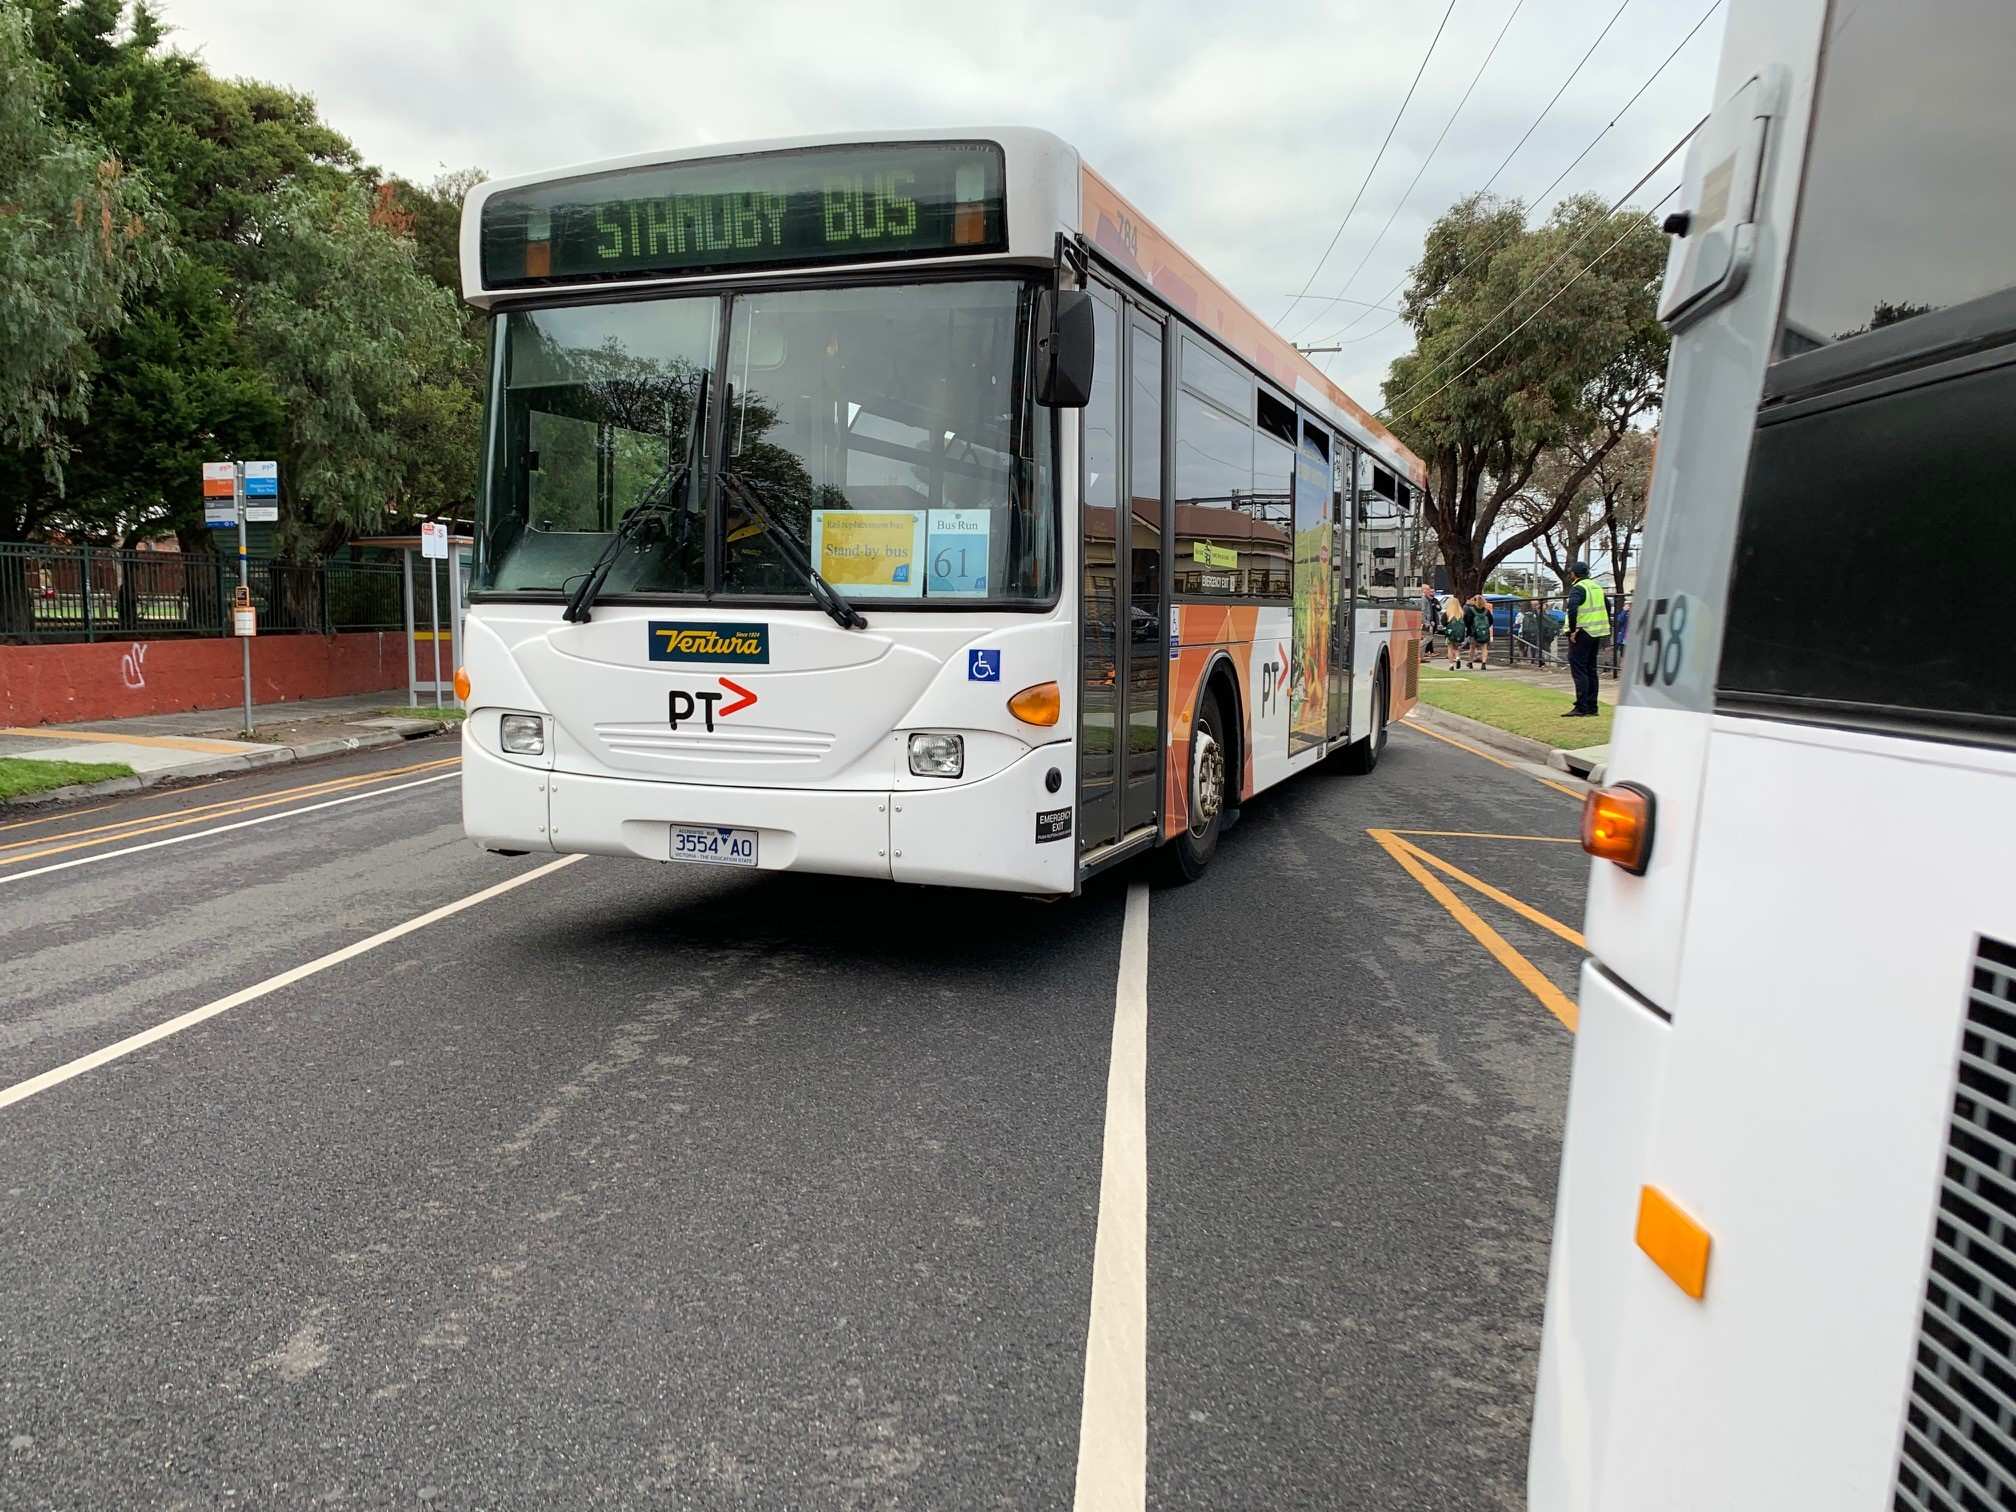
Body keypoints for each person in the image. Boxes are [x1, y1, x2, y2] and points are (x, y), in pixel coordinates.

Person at [1563, 559, 1610, 717]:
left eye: (1571, 573)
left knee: (1579, 669)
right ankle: (1592, 706)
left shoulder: (1578, 588)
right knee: (1591, 669)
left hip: (1582, 632)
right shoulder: (1596, 587)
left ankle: (1581, 706)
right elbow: (1607, 606)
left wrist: (1572, 630)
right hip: (1596, 632)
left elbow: (1572, 609)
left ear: (1574, 574)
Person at [1461, 594, 1493, 670]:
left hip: (1473, 632)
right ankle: (1484, 663)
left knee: (1472, 648)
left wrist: (1468, 628)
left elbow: (1467, 621)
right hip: (1484, 632)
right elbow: (1491, 621)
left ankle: (1470, 662)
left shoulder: (1470, 610)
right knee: (1484, 648)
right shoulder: (1486, 611)